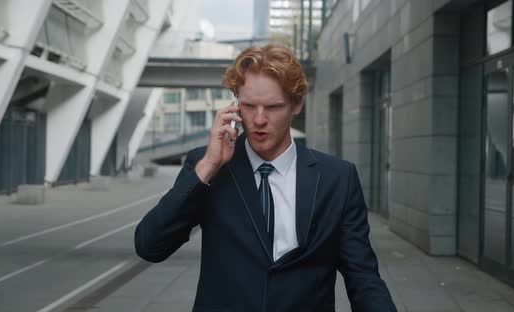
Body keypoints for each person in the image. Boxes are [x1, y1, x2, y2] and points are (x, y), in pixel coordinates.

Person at [134, 44, 396, 312]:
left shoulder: (338, 178)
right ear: (235, 104)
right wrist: (207, 168)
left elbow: (363, 278)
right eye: (248, 106)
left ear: (296, 104)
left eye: (273, 107)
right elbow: (149, 246)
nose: (259, 120)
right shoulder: (207, 166)